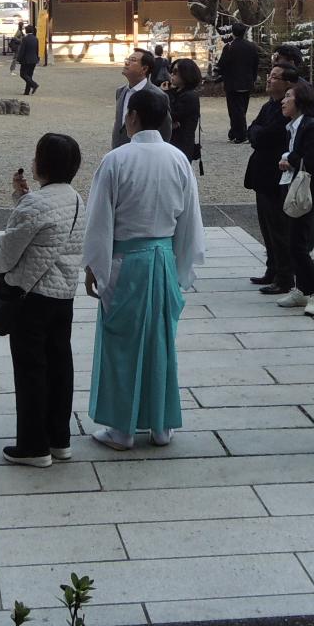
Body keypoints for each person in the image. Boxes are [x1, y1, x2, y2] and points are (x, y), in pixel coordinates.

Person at [83, 87, 206, 450]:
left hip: (126, 259)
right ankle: (161, 425)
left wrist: (95, 265)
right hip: (162, 258)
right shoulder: (178, 159)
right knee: (160, 342)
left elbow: (100, 220)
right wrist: (181, 267)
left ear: (132, 116)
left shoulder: (116, 160)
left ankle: (121, 429)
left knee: (121, 343)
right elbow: (189, 220)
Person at [0, 134, 85, 466]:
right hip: (63, 296)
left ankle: (33, 446)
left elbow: (7, 251)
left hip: (32, 297)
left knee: (31, 370)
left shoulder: (36, 204)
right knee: (60, 366)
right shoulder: (75, 198)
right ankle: (60, 439)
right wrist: (22, 195)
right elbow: (46, 226)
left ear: (42, 162)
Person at [276, 79, 314, 316]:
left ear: (300, 101)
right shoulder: (293, 126)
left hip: (306, 192)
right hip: (292, 187)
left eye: (288, 96)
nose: (283, 101)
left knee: (300, 244)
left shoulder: (310, 126)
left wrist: (290, 159)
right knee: (293, 241)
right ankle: (301, 288)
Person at [246, 63, 297, 292]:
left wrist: (257, 133)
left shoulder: (286, 110)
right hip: (262, 174)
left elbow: (265, 135)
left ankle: (284, 276)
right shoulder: (269, 106)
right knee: (266, 226)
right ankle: (272, 268)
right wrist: (257, 133)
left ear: (287, 83)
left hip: (276, 175)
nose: (269, 80)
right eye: (270, 76)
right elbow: (253, 130)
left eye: (275, 77)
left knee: (278, 227)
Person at [218, 22, 262, 141]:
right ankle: (234, 131)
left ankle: (241, 134)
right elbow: (255, 64)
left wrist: (220, 74)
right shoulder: (251, 46)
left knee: (234, 109)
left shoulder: (229, 47)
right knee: (242, 108)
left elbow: (222, 64)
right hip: (247, 81)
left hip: (232, 82)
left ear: (233, 32)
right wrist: (253, 77)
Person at [110, 47, 153, 148]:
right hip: (119, 151)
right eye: (127, 59)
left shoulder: (156, 95)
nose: (127, 63)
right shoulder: (120, 91)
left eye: (133, 60)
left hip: (143, 153)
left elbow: (164, 131)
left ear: (144, 69)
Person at [168, 57, 204, 170]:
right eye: (171, 71)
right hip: (173, 141)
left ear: (186, 74)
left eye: (175, 72)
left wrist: (166, 94)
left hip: (181, 142)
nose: (171, 75)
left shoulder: (189, 96)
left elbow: (170, 115)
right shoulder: (178, 92)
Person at [14, 22, 40, 95]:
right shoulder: (36, 39)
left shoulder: (25, 39)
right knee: (29, 75)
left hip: (26, 60)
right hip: (34, 59)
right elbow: (37, 49)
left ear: (26, 31)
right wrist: (37, 58)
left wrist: (18, 59)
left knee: (23, 74)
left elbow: (22, 50)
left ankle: (34, 85)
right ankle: (27, 91)